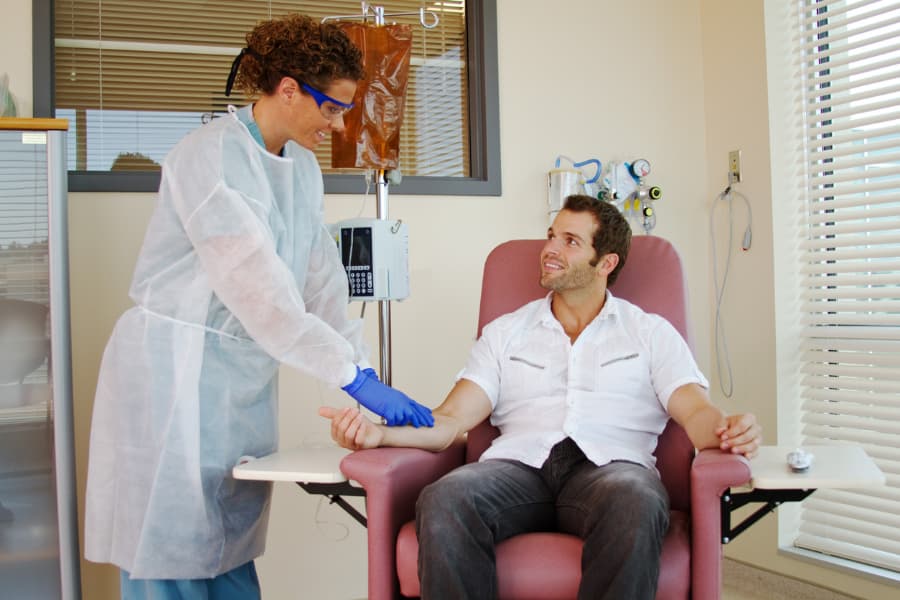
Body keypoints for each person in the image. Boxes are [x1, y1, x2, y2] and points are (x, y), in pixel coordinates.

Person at [84, 13, 432, 600]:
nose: (339, 122)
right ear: (289, 89)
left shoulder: (298, 169)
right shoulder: (209, 158)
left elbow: (321, 282)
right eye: (331, 107)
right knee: (171, 541)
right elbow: (262, 293)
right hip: (174, 372)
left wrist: (361, 372)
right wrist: (351, 376)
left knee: (226, 538)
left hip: (238, 378)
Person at [320, 194, 762, 600]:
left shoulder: (649, 333)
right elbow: (451, 421)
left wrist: (726, 430)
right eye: (552, 235)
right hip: (517, 471)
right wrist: (380, 435)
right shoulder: (506, 332)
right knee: (446, 496)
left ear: (605, 261)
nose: (550, 247)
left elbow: (695, 410)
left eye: (570, 240)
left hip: (611, 473)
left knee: (636, 498)